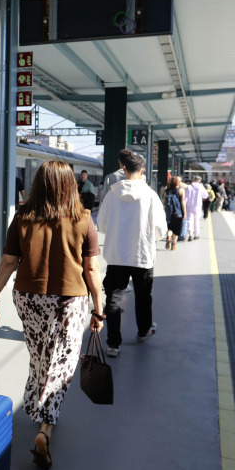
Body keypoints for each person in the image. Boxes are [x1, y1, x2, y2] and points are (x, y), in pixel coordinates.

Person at [0, 160, 103, 470]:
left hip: (29, 297)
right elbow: (91, 269)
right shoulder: (83, 219)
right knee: (62, 363)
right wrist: (99, 309)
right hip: (69, 299)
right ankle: (45, 428)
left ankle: (35, 402)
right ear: (70, 185)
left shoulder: (23, 217)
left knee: (40, 355)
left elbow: (8, 262)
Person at [97, 150, 165, 357]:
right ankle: (143, 331)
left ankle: (113, 344)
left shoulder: (112, 194)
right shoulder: (151, 195)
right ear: (142, 171)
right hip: (142, 256)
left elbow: (102, 225)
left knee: (113, 299)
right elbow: (160, 230)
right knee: (143, 297)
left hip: (116, 256)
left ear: (123, 169)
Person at [163, 176, 186, 250]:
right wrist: (184, 212)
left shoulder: (167, 191)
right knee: (176, 230)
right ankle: (173, 246)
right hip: (178, 213)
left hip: (169, 213)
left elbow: (164, 202)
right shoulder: (181, 190)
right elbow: (183, 202)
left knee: (169, 228)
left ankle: (168, 236)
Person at [184, 176, 205, 240]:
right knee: (196, 220)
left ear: (194, 180)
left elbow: (186, 198)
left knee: (190, 220)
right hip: (197, 206)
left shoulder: (189, 187)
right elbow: (206, 195)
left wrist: (184, 205)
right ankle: (196, 234)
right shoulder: (201, 187)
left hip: (189, 206)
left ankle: (190, 233)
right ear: (199, 180)